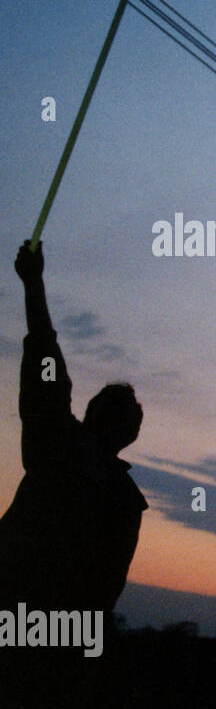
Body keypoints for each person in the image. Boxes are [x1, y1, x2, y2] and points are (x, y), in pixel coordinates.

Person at [0, 241, 146, 614]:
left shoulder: (120, 494)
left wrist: (34, 285)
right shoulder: (61, 440)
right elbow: (45, 361)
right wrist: (33, 285)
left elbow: (108, 583)